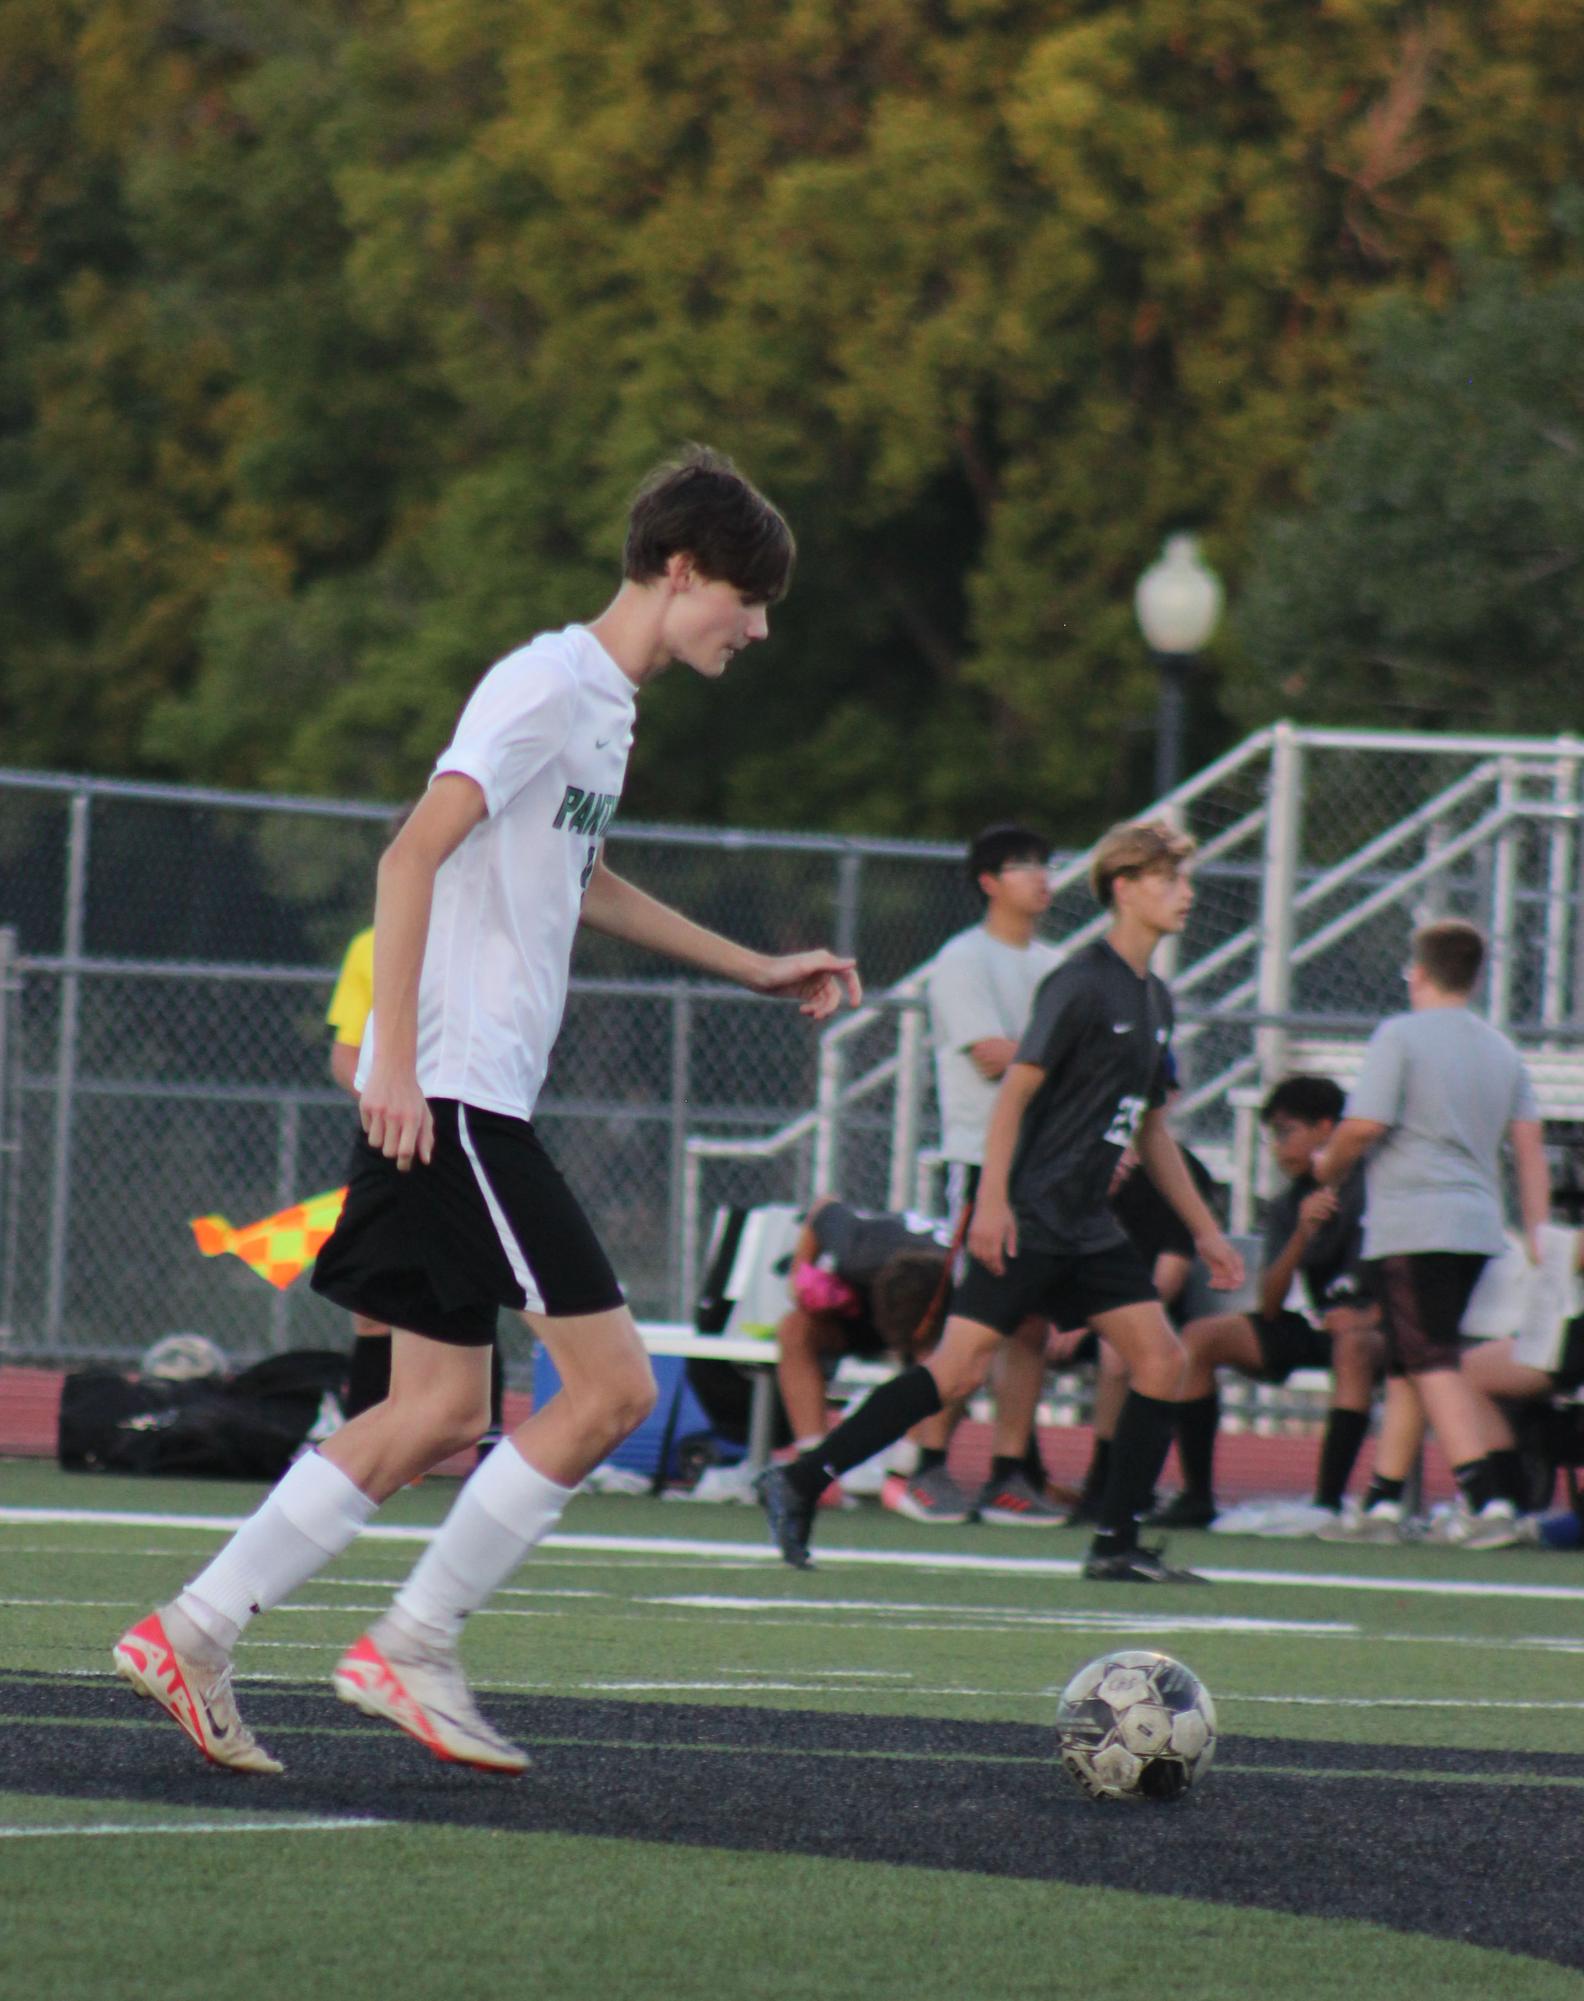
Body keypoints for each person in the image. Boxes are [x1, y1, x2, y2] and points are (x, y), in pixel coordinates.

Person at [112, 445, 861, 1775]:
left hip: (458, 1095)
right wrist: (395, 1059)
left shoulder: (608, 710)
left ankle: (197, 1627)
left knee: (438, 1407)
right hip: (452, 1100)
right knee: (610, 1388)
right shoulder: (544, 681)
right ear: (680, 569)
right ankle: (412, 1642)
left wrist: (754, 966)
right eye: (744, 599)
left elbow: (584, 877)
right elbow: (411, 850)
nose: (754, 628)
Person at [758, 817, 1244, 1582]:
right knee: (954, 1372)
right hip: (1031, 1214)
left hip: (1087, 1223)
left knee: (1161, 1358)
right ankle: (799, 1478)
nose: (1186, 894)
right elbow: (1014, 1093)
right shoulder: (1080, 981)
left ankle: (1115, 1544)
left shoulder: (1155, 998)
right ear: (1124, 888)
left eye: (1185, 880)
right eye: (1169, 880)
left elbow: (1151, 1128)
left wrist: (1207, 1231)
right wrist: (991, 1203)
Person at [1312, 917, 1549, 1549]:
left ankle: (1487, 1500)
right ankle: (1384, 1503)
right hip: (1475, 1223)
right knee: (1409, 1357)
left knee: (1427, 1356)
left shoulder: (1401, 1034)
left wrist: (1324, 1167)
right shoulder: (1500, 1046)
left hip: (1415, 1219)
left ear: (1417, 972)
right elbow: (1528, 1147)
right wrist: (1537, 1232)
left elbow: (1363, 1126)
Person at [910, 822, 1066, 1525]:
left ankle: (1009, 1474)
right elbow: (991, 1055)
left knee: (1029, 1325)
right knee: (966, 1326)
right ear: (988, 882)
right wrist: (1069, 1061)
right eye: (1023, 865)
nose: (1041, 876)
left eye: (1045, 863)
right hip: (982, 1163)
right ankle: (927, 1467)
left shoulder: (1059, 964)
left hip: (1047, 1166)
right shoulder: (962, 959)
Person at [327, 852, 507, 1452]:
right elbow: (350, 1054)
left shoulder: (495, 939)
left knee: (484, 1286)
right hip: (400, 1137)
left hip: (469, 1131)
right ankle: (368, 1447)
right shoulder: (371, 944)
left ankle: (482, 1449)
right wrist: (388, 1095)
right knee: (375, 1305)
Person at [1148, 1074, 1380, 1532]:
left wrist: (1371, 1313)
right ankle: (1197, 1496)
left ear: (1327, 1128)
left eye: (1286, 1132)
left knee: (1352, 1344)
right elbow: (1270, 1305)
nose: (1277, 1147)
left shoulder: (1373, 1185)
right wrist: (1301, 1234)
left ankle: (1326, 1503)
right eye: (1273, 1135)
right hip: (1318, 1323)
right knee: (1198, 1339)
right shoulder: (1288, 1202)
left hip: (1377, 1327)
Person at [1072, 1051, 1223, 1523]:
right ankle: (1013, 1473)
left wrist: (1095, 1324)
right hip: (1075, 1304)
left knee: (1123, 1351)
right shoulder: (1075, 1160)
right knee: (1008, 1336)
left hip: (1138, 1309)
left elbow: (1171, 1271)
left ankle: (1109, 1483)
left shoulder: (1180, 1172)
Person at [774, 1196, 953, 1497]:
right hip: (861, 1307)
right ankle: (812, 1462)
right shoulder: (857, 1249)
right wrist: (799, 1276)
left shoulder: (958, 1271)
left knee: (951, 1352)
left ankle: (908, 1465)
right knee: (795, 1328)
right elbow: (823, 1207)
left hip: (938, 1315)